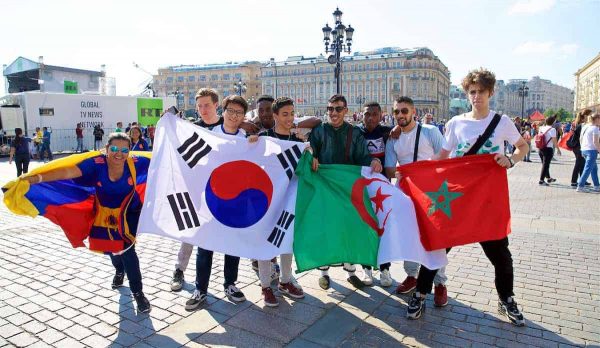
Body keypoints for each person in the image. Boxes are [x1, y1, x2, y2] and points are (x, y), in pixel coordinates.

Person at [406, 68, 528, 326]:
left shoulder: (501, 122)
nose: (476, 96)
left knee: (500, 255)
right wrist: (415, 171)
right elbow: (443, 157)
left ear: (490, 92)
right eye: (472, 92)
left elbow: (523, 147)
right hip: (456, 198)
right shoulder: (456, 123)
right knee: (438, 245)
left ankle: (507, 299)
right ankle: (420, 294)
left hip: (486, 200)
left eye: (481, 91)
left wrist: (511, 159)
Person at [23, 132, 152, 313]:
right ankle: (119, 270)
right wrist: (37, 179)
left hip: (129, 213)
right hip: (104, 212)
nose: (119, 153)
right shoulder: (96, 164)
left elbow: (162, 161)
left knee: (128, 250)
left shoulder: (136, 163)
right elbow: (68, 171)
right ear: (107, 149)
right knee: (111, 249)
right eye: (114, 148)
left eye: (125, 149)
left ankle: (138, 293)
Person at [309, 94, 382, 290]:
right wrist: (311, 156)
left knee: (349, 229)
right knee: (327, 229)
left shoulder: (355, 133)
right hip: (324, 187)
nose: (333, 113)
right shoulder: (319, 131)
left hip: (348, 189)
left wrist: (374, 161)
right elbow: (311, 151)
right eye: (330, 109)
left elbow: (363, 156)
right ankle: (323, 273)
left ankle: (350, 272)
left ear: (346, 111)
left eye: (338, 109)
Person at [384, 97, 449, 306]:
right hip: (406, 194)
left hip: (432, 194)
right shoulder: (393, 138)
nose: (400, 115)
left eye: (404, 111)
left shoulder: (430, 132)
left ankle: (440, 283)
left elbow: (446, 160)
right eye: (397, 112)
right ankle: (411, 276)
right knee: (409, 235)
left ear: (413, 112)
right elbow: (388, 169)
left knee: (436, 239)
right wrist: (401, 171)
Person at [185, 94, 248, 311]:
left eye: (239, 112)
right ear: (223, 111)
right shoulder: (208, 135)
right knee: (205, 246)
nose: (234, 115)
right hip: (210, 199)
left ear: (243, 116)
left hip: (236, 201)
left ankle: (230, 284)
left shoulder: (247, 138)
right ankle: (200, 289)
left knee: (233, 244)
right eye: (230, 110)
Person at [247, 97, 306, 307]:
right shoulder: (264, 139)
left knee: (286, 239)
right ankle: (265, 286)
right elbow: (251, 165)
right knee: (266, 241)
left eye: (292, 114)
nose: (289, 118)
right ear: (274, 116)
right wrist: (251, 145)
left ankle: (285, 280)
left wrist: (311, 154)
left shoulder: (298, 142)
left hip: (289, 199)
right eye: (285, 114)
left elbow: (305, 169)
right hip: (267, 199)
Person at [171, 88, 225, 293]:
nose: (203, 110)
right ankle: (179, 269)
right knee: (190, 231)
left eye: (207, 105)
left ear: (216, 105)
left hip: (222, 189)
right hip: (197, 188)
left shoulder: (226, 125)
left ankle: (230, 281)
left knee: (230, 229)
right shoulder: (192, 128)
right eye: (199, 106)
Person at [358, 101, 394, 287]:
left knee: (383, 228)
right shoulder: (356, 133)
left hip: (382, 190)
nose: (370, 118)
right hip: (362, 189)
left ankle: (385, 269)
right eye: (367, 114)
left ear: (381, 115)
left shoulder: (388, 132)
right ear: (361, 115)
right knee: (365, 228)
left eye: (374, 114)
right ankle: (366, 269)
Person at [576, 113, 600, 193]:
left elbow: (581, 138)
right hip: (591, 151)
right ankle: (580, 186)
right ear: (597, 119)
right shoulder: (595, 128)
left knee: (594, 169)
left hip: (585, 149)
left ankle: (597, 186)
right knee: (587, 169)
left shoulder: (586, 126)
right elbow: (595, 142)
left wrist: (582, 149)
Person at [570, 109, 592, 187]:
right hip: (578, 146)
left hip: (578, 146)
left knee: (582, 164)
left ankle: (583, 179)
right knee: (578, 163)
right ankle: (573, 181)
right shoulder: (582, 125)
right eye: (591, 115)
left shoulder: (579, 123)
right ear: (586, 116)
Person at [537, 115, 561, 186]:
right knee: (546, 165)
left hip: (540, 148)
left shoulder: (541, 128)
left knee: (544, 164)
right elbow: (554, 140)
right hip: (548, 149)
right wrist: (558, 149)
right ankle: (541, 180)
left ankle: (548, 178)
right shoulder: (552, 129)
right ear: (553, 122)